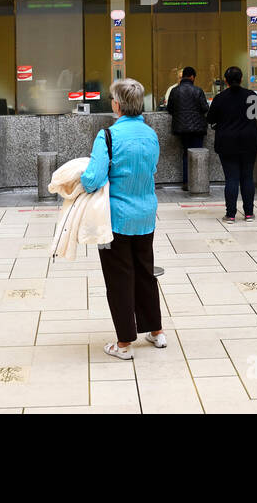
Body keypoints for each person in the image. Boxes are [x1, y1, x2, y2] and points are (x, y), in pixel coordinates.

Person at [80, 77, 165, 361]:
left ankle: (124, 342)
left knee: (119, 278)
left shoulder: (108, 136)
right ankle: (155, 331)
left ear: (117, 104)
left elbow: (92, 179)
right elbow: (152, 168)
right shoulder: (150, 134)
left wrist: (79, 176)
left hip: (114, 220)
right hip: (145, 215)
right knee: (145, 272)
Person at [206, 66, 257, 223]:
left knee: (231, 178)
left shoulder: (220, 98)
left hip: (227, 142)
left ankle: (231, 214)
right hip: (249, 141)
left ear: (225, 81)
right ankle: (249, 213)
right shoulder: (251, 95)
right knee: (247, 177)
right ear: (241, 79)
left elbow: (210, 119)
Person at [164, 66, 208, 184]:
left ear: (182, 76)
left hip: (181, 128)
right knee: (198, 154)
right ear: (192, 77)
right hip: (197, 129)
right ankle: (197, 183)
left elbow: (170, 109)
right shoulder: (198, 91)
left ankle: (186, 182)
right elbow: (205, 108)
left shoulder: (174, 91)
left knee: (186, 154)